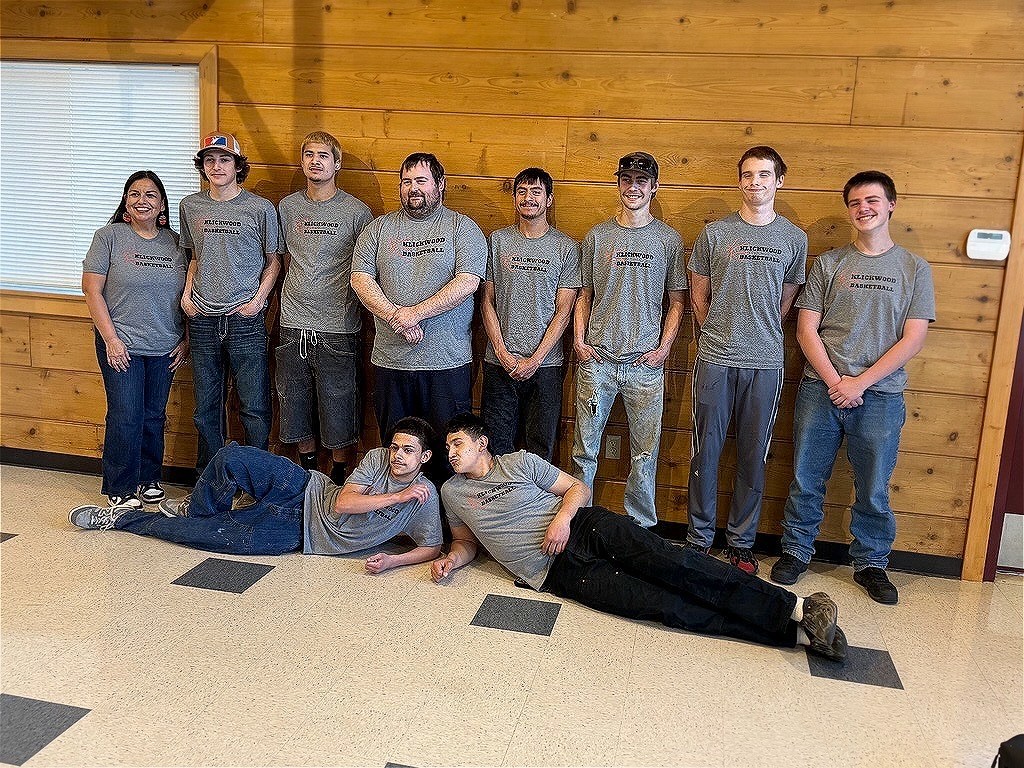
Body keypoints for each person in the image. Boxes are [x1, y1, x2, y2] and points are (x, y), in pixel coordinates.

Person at [432, 413, 847, 662]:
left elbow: (578, 488)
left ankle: (796, 606)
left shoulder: (519, 462)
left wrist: (561, 519)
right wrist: (452, 559)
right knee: (667, 606)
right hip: (557, 572)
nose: (451, 453)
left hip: (586, 527)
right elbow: (467, 542)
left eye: (457, 444)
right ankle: (800, 633)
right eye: (447, 447)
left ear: (481, 443)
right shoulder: (452, 493)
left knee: (677, 565)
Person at [771, 171, 935, 605]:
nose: (864, 208)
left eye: (873, 201)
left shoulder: (914, 268)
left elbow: (913, 338)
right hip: (820, 390)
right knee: (806, 478)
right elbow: (807, 330)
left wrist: (859, 383)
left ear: (891, 205)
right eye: (856, 202)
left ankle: (871, 564)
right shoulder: (830, 263)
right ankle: (795, 551)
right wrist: (836, 381)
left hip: (880, 396)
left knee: (875, 486)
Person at [69, 417, 442, 572]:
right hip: (306, 487)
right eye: (395, 447)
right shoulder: (378, 460)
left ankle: (119, 519)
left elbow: (432, 546)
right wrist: (396, 497)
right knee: (232, 457)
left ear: (424, 457)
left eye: (407, 450)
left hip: (300, 536)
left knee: (203, 536)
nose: (397, 455)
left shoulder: (426, 496)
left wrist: (392, 562)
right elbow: (344, 502)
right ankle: (195, 507)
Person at [686, 146, 808, 575]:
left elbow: (787, 300)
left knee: (754, 454)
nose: (755, 182)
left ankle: (741, 541)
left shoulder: (794, 238)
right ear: (739, 180)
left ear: (779, 180)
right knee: (706, 451)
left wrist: (759, 332)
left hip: (766, 363)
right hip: (715, 358)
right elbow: (699, 295)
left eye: (764, 175)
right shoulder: (715, 234)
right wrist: (718, 332)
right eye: (748, 175)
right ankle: (699, 538)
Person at [350, 152, 487, 481]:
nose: (413, 188)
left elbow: (468, 281)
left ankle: (443, 524)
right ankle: (393, 517)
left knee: (447, 453)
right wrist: (397, 316)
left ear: (440, 185)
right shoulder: (378, 229)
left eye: (421, 181)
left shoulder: (461, 227)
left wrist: (414, 314)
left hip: (447, 364)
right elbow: (360, 279)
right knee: (395, 453)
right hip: (391, 362)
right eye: (407, 181)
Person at [571, 152, 687, 528]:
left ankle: (641, 528)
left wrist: (664, 349)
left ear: (654, 186)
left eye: (641, 180)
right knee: (584, 451)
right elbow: (584, 294)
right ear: (618, 184)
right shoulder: (597, 236)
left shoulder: (668, 240)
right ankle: (580, 522)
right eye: (626, 179)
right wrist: (579, 341)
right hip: (597, 360)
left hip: (645, 367)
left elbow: (677, 301)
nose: (632, 187)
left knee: (645, 453)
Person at [82, 170, 188, 509]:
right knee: (126, 413)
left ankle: (148, 477)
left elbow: (190, 293)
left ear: (162, 205)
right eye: (135, 194)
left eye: (150, 195)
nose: (142, 200)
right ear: (126, 202)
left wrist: (185, 339)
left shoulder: (176, 243)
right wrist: (111, 340)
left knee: (154, 415)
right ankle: (121, 485)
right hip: (121, 343)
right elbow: (91, 289)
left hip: (165, 344)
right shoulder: (109, 237)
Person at [179, 132, 283, 473]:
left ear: (238, 166)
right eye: (210, 160)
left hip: (245, 320)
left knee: (253, 406)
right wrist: (186, 294)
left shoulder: (259, 207)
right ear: (202, 167)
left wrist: (257, 302)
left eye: (224, 159)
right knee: (206, 406)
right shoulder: (190, 206)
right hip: (203, 319)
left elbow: (274, 261)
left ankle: (257, 478)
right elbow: (194, 257)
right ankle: (209, 478)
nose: (217, 166)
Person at [276, 131, 373, 485]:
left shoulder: (357, 212)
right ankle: (308, 469)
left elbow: (364, 267)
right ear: (302, 162)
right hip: (292, 321)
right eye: (309, 155)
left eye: (323, 155)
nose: (315, 161)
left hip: (339, 325)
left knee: (338, 405)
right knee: (294, 403)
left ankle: (338, 475)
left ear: (337, 163)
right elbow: (284, 259)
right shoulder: (287, 208)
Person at [479, 167, 581, 462]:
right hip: (499, 363)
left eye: (536, 192)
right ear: (514, 198)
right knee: (495, 448)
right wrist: (501, 351)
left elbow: (564, 310)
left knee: (540, 448)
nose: (528, 198)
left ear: (549, 199)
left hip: (546, 366)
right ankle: (498, 506)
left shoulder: (566, 247)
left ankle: (536, 507)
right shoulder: (496, 241)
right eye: (521, 192)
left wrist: (535, 359)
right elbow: (487, 300)